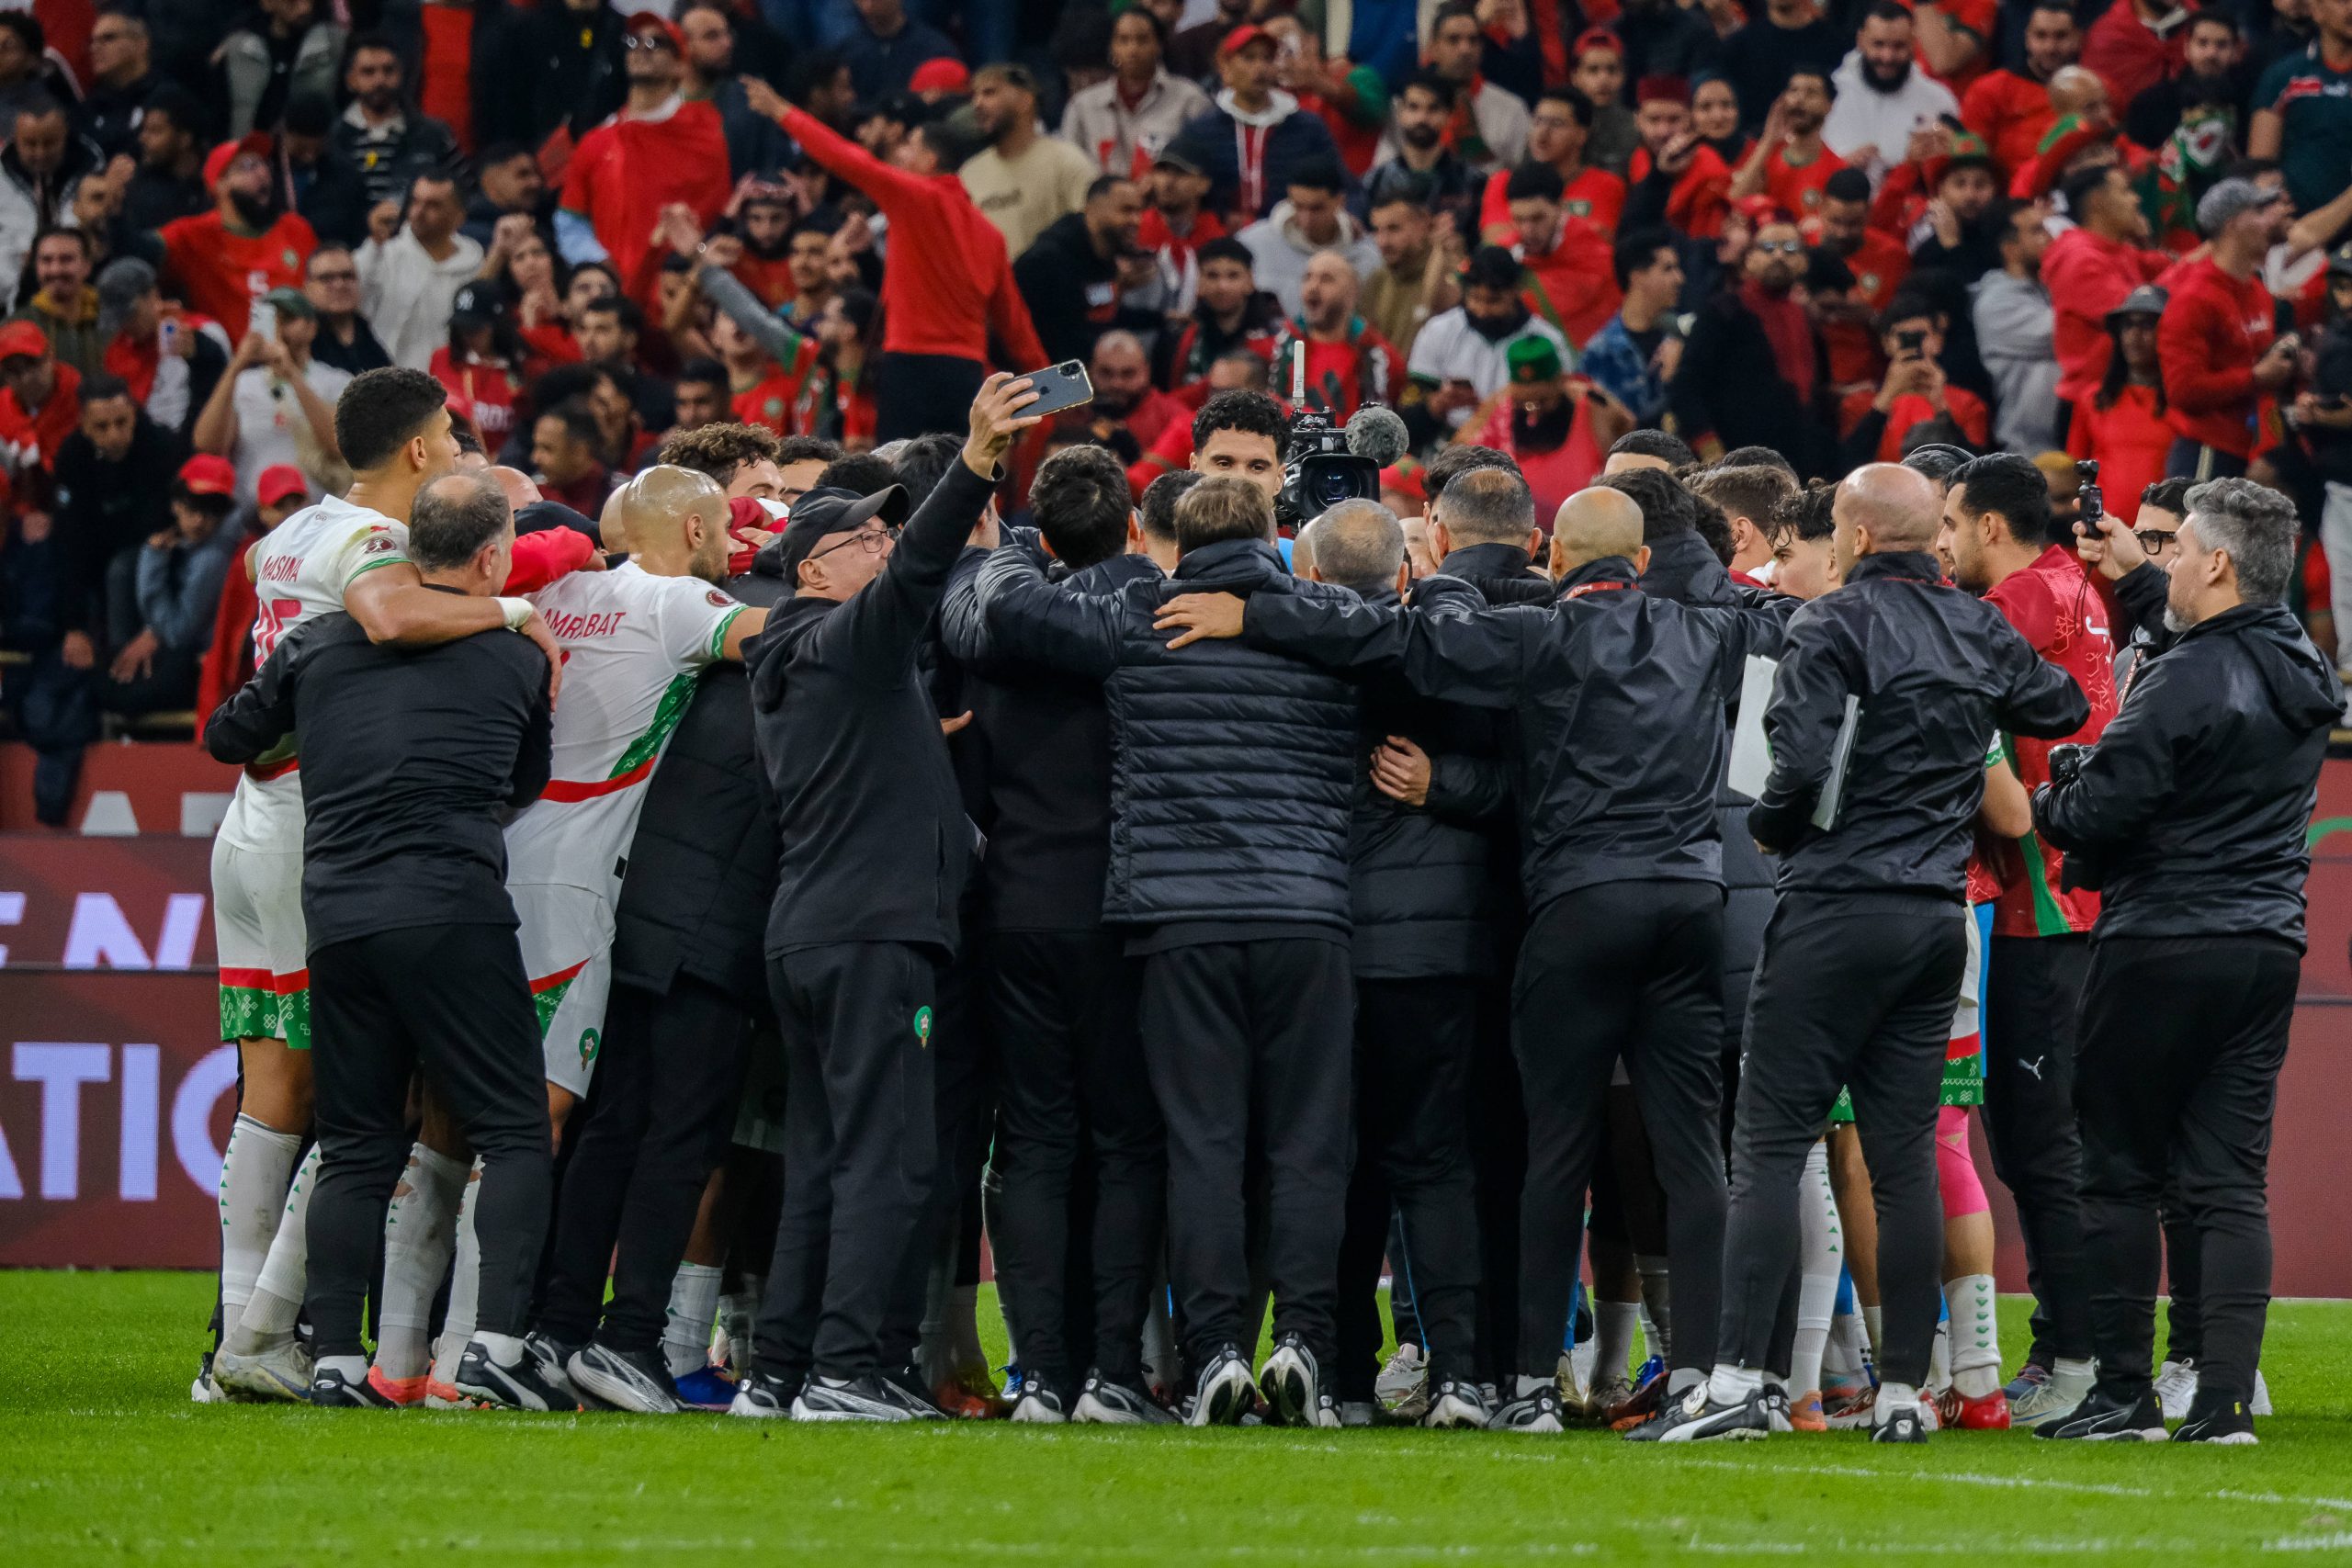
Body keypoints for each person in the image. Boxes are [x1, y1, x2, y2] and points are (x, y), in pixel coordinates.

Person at [1154, 474, 1787, 1438]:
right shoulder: (1716, 631)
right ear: (1648, 561)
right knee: (1693, 1154)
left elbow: (1392, 637)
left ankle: (1530, 1381)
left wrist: (1258, 612)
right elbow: (1786, 632)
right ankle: (1706, 1377)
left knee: (1554, 1152)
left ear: (1558, 559)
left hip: (1579, 904)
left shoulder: (1542, 636)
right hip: (1691, 904)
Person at [1674, 463, 2088, 1443]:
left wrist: (1773, 825)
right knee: (1905, 1158)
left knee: (1770, 1145)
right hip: (1933, 915)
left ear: (1856, 537)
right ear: (1925, 537)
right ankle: (1906, 1390)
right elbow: (2060, 709)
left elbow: (1800, 768)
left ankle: (1737, 1380)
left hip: (1832, 905)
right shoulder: (1980, 626)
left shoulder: (1827, 626)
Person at [201, 367, 564, 1404]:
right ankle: (257, 1333)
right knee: (346, 1110)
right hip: (347, 831)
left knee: (286, 1098)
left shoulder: (282, 538)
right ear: (415, 453)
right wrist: (512, 612)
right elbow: (398, 622)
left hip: (267, 824)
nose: (457, 452)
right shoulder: (371, 549)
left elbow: (252, 697)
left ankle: (254, 1335)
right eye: (450, 439)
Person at [976, 469, 1363, 1430]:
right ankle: (1306, 1344)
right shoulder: (1328, 622)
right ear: (1277, 532)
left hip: (1177, 922)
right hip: (1306, 915)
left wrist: (1013, 544)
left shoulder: (1139, 625)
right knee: (1308, 1148)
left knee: (1203, 1144)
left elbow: (1018, 615)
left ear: (1171, 545)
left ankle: (1216, 1353)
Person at [722, 374, 1034, 1423]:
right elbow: (924, 570)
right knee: (895, 1160)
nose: (883, 549)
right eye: (863, 539)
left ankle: (779, 1373)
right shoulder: (842, 639)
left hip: (812, 934)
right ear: (812, 566)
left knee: (819, 1163)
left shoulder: (812, 661)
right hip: (873, 936)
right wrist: (978, 458)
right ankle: (849, 1370)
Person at [2032, 478, 2338, 1444]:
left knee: (2117, 1170)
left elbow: (2095, 812)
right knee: (2226, 1181)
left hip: (2161, 934)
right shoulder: (2304, 667)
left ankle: (2122, 1392)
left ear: (2214, 561)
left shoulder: (2182, 676)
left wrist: (2053, 794)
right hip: (2266, 943)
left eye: (2177, 549)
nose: (2160, 564)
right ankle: (2220, 1402)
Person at [933, 443, 1172, 1423]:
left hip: (1015, 902)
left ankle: (1039, 1374)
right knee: (1123, 1139)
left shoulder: (997, 627)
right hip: (1121, 908)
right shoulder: (1157, 615)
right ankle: (1112, 1371)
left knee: (1031, 1141)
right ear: (1127, 526)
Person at [1938, 453, 2121, 1426]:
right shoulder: (2073, 584)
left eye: (1952, 525)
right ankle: (2071, 1346)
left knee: (2040, 1145)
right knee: (2038, 1142)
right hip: (2061, 897)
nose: (1944, 544)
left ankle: (2076, 1356)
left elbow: (1941, 675)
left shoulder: (2019, 594)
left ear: (1991, 528)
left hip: (2036, 903)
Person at [747, 77, 1045, 445]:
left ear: (930, 160)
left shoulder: (915, 196)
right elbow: (1016, 327)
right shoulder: (992, 235)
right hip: (967, 375)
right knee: (960, 484)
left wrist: (782, 112)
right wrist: (1048, 389)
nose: (901, 155)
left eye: (909, 147)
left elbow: (850, 160)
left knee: (902, 484)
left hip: (910, 368)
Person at [556, 14, 729, 309]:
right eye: (633, 41)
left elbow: (717, 215)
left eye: (656, 42)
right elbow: (570, 220)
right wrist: (599, 264)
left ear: (681, 65)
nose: (642, 48)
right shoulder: (596, 142)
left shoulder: (709, 132)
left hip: (682, 298)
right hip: (614, 304)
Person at [2158, 178, 2297, 481]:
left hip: (2247, 451)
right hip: (2205, 452)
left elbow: (2253, 362)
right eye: (2259, 213)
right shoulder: (2194, 297)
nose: (2267, 223)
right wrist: (2256, 377)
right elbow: (2183, 390)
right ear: (2234, 223)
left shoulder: (2258, 291)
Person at [1673, 215, 1830, 473]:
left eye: (1790, 249)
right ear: (1749, 259)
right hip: (1737, 463)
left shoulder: (1807, 319)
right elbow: (1686, 386)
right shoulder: (1722, 312)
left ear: (1804, 262)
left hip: (1800, 462)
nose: (1779, 256)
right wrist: (1708, 446)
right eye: (1768, 248)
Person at [1169, 24, 1346, 224]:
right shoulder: (1200, 131)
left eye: (1267, 59)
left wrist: (1348, 219)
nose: (1260, 68)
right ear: (1225, 67)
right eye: (1249, 58)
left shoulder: (1307, 127)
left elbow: (1343, 185)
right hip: (1218, 234)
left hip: (1291, 232)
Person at [191, 287, 350, 502]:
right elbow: (207, 445)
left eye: (288, 319)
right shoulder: (242, 383)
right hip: (256, 518)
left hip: (318, 512)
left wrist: (292, 375)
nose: (278, 329)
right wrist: (237, 365)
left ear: (311, 328)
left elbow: (340, 445)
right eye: (271, 319)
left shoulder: (336, 380)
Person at [2042, 164, 2165, 436]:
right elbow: (2141, 312)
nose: (2137, 199)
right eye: (2125, 191)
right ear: (2098, 201)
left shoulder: (2117, 249)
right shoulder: (2079, 258)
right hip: (2092, 404)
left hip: (2119, 398)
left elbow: (2170, 269)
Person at [156, 134, 319, 342]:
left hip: (302, 359)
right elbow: (143, 251)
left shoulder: (297, 229)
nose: (262, 173)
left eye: (263, 164)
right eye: (247, 166)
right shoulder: (193, 234)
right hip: (228, 365)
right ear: (219, 184)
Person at [959, 64, 1099, 262]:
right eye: (975, 95)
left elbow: (1094, 232)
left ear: (1025, 101)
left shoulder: (1066, 161)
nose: (977, 103)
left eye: (989, 93)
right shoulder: (969, 174)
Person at [1014, 175, 1156, 367]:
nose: (1136, 220)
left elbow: (1092, 304)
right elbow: (1066, 326)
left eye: (1139, 211)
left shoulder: (1105, 255)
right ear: (1091, 209)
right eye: (1126, 210)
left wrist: (1162, 319)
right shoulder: (1047, 261)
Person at [355, 171, 483, 373]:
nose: (418, 212)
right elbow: (355, 296)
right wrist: (374, 243)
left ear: (458, 217)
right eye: (415, 202)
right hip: (391, 379)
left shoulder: (473, 261)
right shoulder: (386, 254)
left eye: (433, 205)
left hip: (453, 384)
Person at [1838, 296, 1990, 466]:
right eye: (1903, 336)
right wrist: (1883, 402)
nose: (1914, 344)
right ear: (1886, 343)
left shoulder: (1968, 404)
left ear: (1938, 340)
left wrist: (1940, 407)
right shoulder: (1857, 404)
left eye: (1921, 335)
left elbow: (1975, 469)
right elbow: (1847, 467)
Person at [1062, 7, 1212, 177]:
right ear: (1112, 47)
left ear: (1159, 45)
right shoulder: (1082, 106)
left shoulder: (1190, 99)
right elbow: (1068, 171)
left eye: (1142, 40)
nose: (1133, 50)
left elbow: (1203, 167)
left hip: (1166, 202)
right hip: (1102, 201)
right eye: (1123, 40)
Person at [2068, 285, 2173, 523]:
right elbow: (2077, 471)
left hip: (2162, 535)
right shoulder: (2093, 399)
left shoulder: (2185, 402)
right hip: (2102, 530)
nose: (2135, 335)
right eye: (2128, 325)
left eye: (2147, 325)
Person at [323, 34, 461, 215]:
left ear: (401, 75)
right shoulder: (332, 139)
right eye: (368, 72)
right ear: (351, 81)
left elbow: (464, 193)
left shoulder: (433, 134)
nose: (380, 80)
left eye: (388, 71)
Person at [1238, 160, 1383, 321]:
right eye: (1298, 207)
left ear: (1340, 201)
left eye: (1317, 208)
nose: (1306, 219)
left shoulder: (1368, 257)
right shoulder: (1252, 243)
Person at [1266, 251, 1398, 422]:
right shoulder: (1282, 345)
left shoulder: (1375, 352)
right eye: (1307, 278)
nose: (1313, 286)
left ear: (1352, 292)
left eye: (1326, 279)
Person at [1976, 199, 2061, 455]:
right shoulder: (1995, 303)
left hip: (2063, 447)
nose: (2049, 237)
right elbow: (2068, 333)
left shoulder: (2046, 291)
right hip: (2028, 454)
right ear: (2010, 250)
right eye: (2036, 231)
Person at [1579, 229, 1685, 431]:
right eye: (1668, 269)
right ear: (1637, 277)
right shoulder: (1600, 354)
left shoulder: (1685, 337)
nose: (1679, 279)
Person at [9, 227, 101, 375]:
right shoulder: (16, 327)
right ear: (36, 267)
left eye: (66, 260)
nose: (56, 270)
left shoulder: (112, 322)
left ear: (87, 266)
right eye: (46, 260)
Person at [303, 245, 393, 376]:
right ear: (307, 289)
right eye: (327, 278)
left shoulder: (374, 340)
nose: (340, 285)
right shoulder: (300, 343)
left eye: (347, 276)